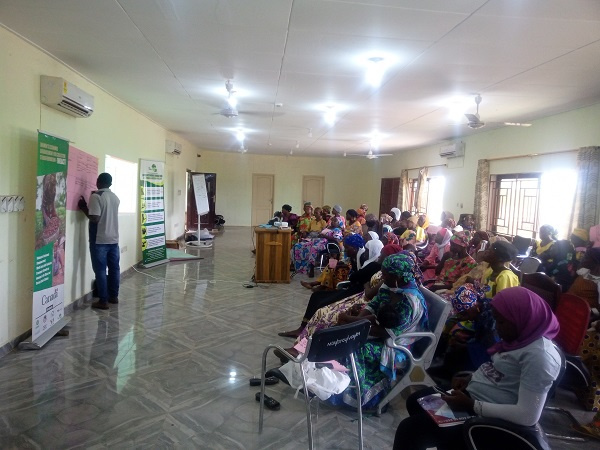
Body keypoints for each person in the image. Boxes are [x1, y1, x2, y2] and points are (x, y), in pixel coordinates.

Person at [393, 287, 561, 450]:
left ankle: (451, 439)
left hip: (487, 420)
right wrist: (471, 378)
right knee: (416, 400)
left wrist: (472, 405)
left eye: (501, 321)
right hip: (475, 397)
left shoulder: (540, 357)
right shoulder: (521, 339)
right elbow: (502, 373)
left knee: (409, 430)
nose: (497, 327)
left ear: (521, 318)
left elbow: (527, 416)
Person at [333, 251, 428, 409]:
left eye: (386, 275)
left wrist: (353, 324)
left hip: (397, 344)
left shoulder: (410, 302)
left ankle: (364, 399)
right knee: (342, 335)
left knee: (355, 347)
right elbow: (372, 307)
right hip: (378, 332)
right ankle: (332, 385)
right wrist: (355, 322)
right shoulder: (390, 287)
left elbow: (388, 333)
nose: (383, 278)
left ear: (397, 277)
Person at [78, 173, 120, 310]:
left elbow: (95, 218)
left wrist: (84, 207)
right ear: (111, 184)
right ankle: (113, 296)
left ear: (98, 182)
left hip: (100, 240)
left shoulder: (96, 197)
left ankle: (103, 301)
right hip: (113, 239)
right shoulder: (115, 197)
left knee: (100, 270)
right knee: (114, 269)